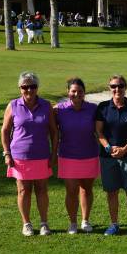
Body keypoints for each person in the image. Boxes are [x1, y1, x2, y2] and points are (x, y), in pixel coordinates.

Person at [1, 72, 58, 236]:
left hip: (41, 155)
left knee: (41, 190)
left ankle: (44, 223)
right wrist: (6, 153)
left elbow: (54, 132)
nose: (29, 90)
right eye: (25, 87)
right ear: (20, 88)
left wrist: (54, 153)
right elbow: (5, 130)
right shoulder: (13, 105)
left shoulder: (46, 105)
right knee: (23, 191)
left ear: (37, 88)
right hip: (19, 156)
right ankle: (26, 224)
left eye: (32, 86)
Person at [96, 75, 127, 237]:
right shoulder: (103, 107)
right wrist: (109, 148)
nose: (117, 89)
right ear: (109, 87)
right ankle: (114, 224)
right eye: (113, 86)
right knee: (112, 191)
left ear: (125, 87)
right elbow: (99, 132)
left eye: (120, 86)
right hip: (108, 156)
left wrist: (124, 149)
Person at [54, 78, 99, 235]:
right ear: (68, 92)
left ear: (84, 93)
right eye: (73, 91)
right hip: (67, 155)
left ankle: (85, 220)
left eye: (80, 91)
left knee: (86, 189)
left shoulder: (93, 109)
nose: (77, 94)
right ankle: (73, 223)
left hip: (89, 154)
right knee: (71, 190)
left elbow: (101, 130)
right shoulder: (59, 110)